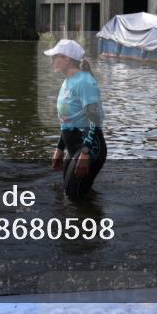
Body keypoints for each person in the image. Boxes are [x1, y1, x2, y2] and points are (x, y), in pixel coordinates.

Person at [44, 39, 107, 199]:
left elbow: (95, 118)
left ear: (67, 59)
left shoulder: (85, 82)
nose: (52, 61)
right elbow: (68, 121)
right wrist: (60, 148)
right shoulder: (67, 82)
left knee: (74, 197)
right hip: (73, 148)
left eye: (55, 56)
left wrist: (85, 152)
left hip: (89, 147)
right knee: (72, 195)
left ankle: (90, 222)